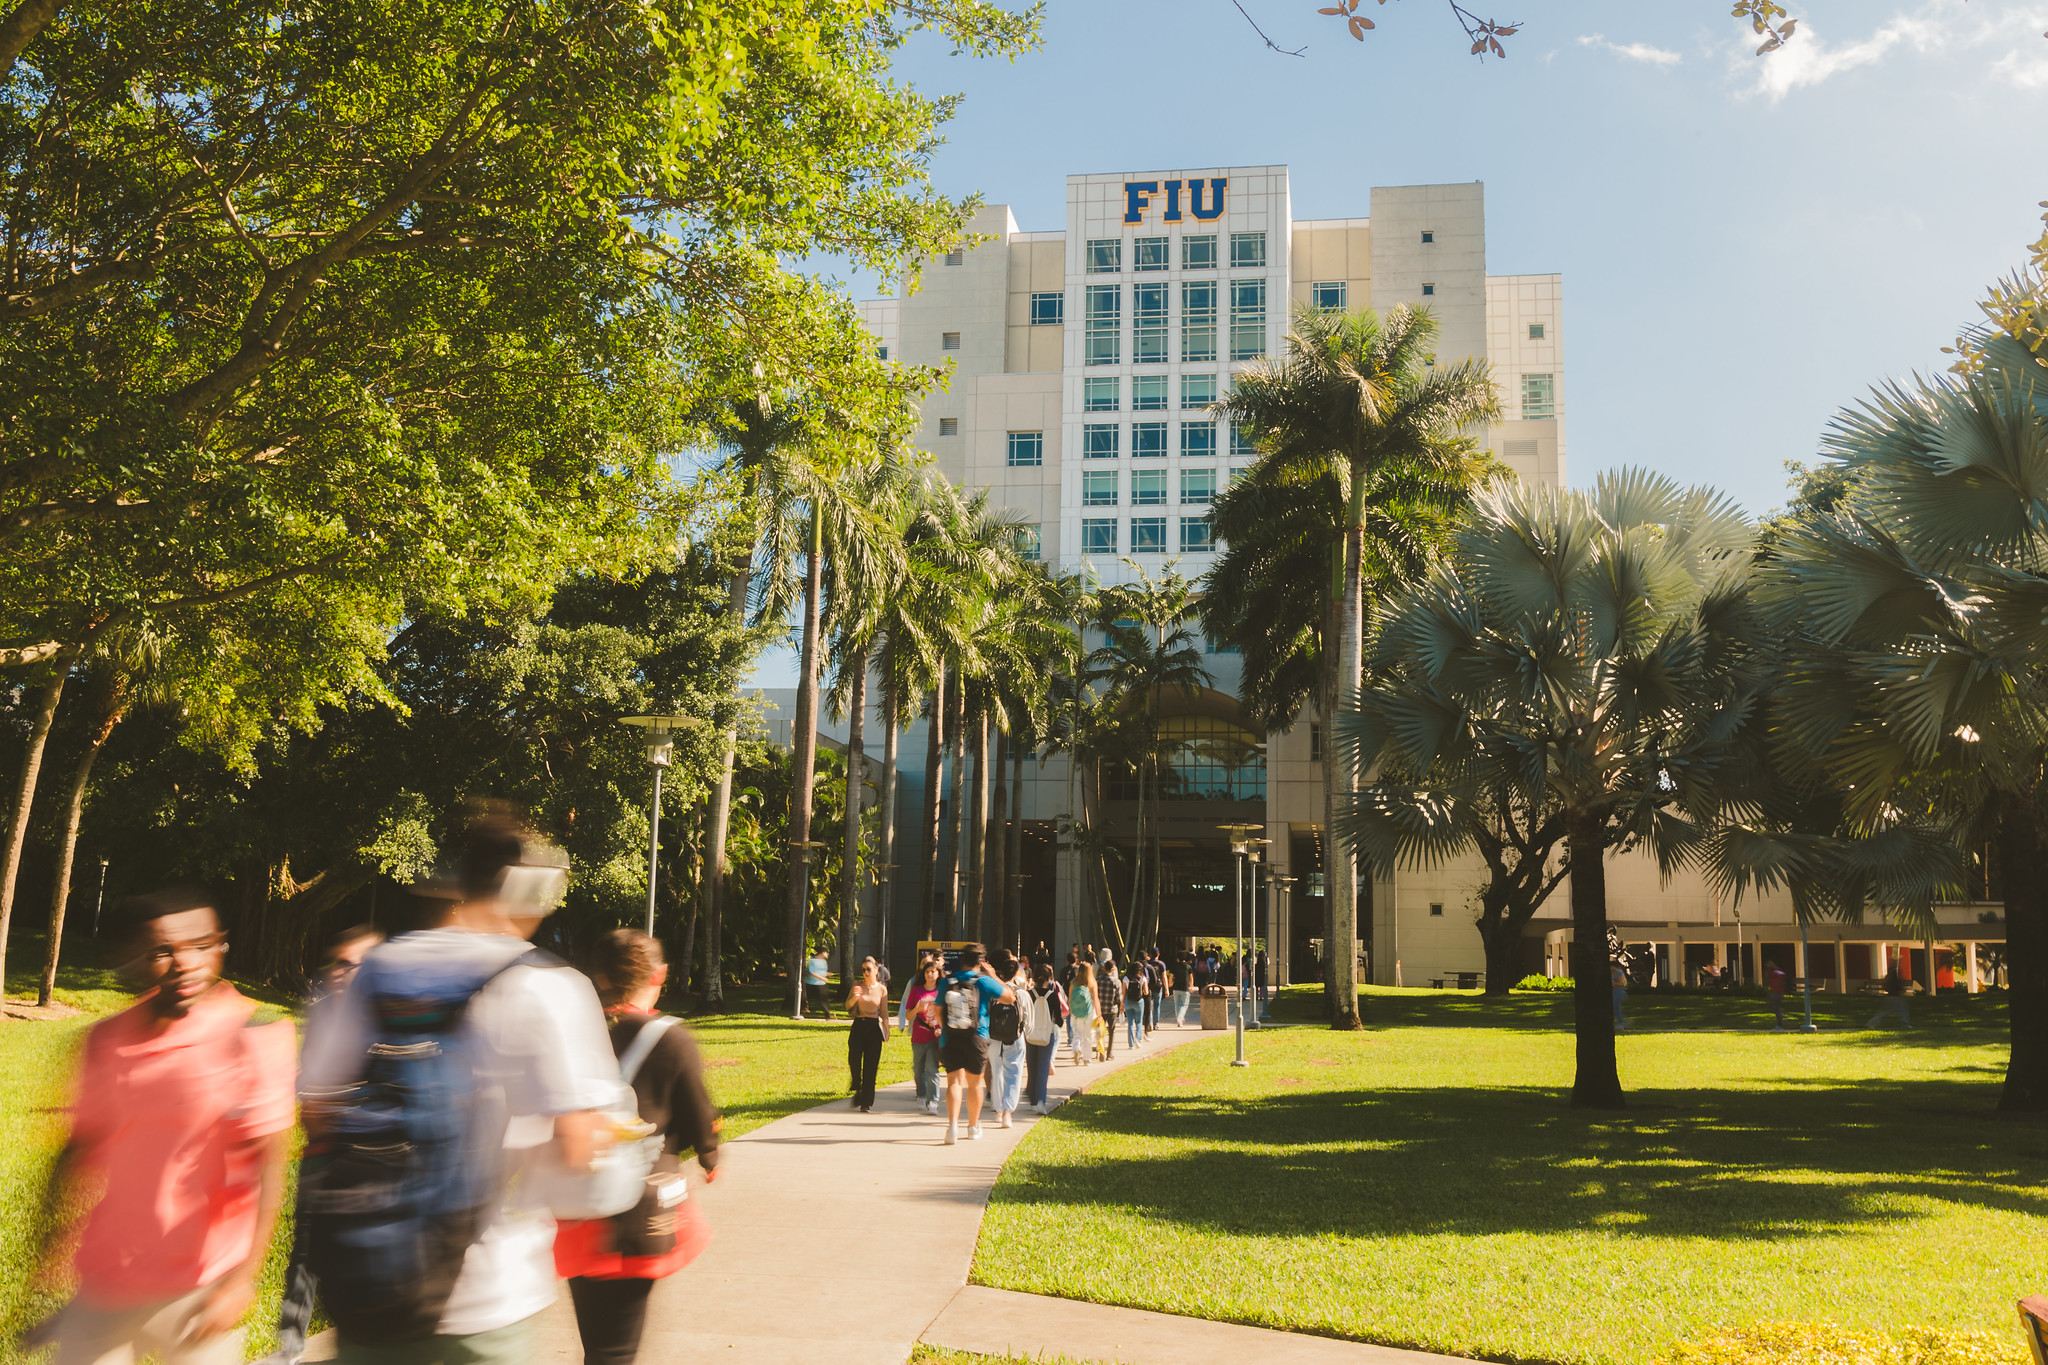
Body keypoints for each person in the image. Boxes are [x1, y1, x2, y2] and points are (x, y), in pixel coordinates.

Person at [299, 809, 619, 1365]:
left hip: (372, 1279)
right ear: (528, 889)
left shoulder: (378, 968)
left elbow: (319, 1110)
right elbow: (579, 1148)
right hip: (487, 1296)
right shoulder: (546, 984)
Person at [30, 887, 296, 1365]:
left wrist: (240, 1282)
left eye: (202, 946)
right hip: (108, 1280)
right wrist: (50, 1249)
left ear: (220, 946)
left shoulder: (252, 1038)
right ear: (135, 959)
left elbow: (268, 1167)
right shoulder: (106, 1042)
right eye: (162, 952)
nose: (186, 963)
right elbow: (76, 1151)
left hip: (201, 1288)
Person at [555, 930, 722, 1365]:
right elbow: (698, 1117)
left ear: (601, 977)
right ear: (659, 974)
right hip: (635, 1213)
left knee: (597, 1341)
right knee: (617, 1351)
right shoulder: (671, 1038)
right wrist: (709, 1155)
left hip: (577, 1207)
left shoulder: (574, 1032)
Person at [264, 925, 385, 1365]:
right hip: (322, 1152)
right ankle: (289, 1346)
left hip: (371, 1160)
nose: (339, 972)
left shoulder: (388, 1019)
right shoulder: (322, 1014)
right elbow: (307, 1077)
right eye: (336, 962)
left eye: (351, 965)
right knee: (306, 1251)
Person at [937, 943, 1017, 1144]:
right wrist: (993, 976)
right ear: (980, 961)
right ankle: (973, 1127)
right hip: (977, 1037)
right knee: (974, 1083)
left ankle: (952, 1128)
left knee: (954, 1082)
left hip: (950, 1037)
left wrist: (947, 1029)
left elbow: (938, 1010)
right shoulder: (983, 981)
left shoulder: (948, 980)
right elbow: (1010, 997)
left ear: (962, 959)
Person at [986, 952, 1030, 1129]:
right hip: (1016, 1037)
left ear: (1001, 973)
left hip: (994, 1037)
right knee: (1014, 1072)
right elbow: (1029, 1019)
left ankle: (997, 1109)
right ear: (1016, 974)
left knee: (996, 1071)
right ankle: (1007, 1112)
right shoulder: (1022, 994)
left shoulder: (993, 993)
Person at [844, 957, 890, 1112]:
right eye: (863, 969)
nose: (865, 972)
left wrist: (887, 1029)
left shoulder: (882, 989)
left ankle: (866, 1102)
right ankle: (856, 1084)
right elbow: (848, 1006)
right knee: (854, 1060)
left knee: (871, 1066)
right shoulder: (857, 985)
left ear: (876, 970)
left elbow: (884, 1012)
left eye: (868, 969)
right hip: (858, 1025)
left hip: (873, 1028)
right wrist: (854, 997)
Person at [1021, 963, 1066, 1113]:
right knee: (1042, 1069)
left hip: (1030, 1035)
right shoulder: (1052, 996)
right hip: (1046, 1036)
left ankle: (1032, 1099)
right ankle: (1040, 1100)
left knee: (1032, 1067)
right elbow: (1059, 1020)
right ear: (1050, 978)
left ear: (1033, 977)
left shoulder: (1028, 994)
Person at [903, 957, 944, 1114]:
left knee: (932, 1069)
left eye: (933, 971)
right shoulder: (916, 990)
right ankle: (921, 1094)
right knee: (918, 1069)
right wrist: (917, 1009)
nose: (929, 974)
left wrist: (942, 1029)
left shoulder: (942, 991)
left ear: (938, 973)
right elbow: (908, 1016)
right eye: (927, 971)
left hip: (935, 1036)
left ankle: (933, 1101)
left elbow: (947, 1014)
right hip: (919, 1035)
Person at [1067, 962, 1098, 1067]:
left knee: (1078, 1032)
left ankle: (1076, 1047)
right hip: (1089, 1012)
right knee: (1088, 1035)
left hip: (1076, 1012)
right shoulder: (1091, 982)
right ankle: (1087, 1059)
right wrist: (1099, 1014)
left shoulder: (1073, 982)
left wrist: (1071, 1009)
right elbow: (1095, 999)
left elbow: (1070, 998)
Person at [1868, 963, 1913, 1029]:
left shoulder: (1889, 976)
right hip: (1896, 997)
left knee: (1884, 1012)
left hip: (1890, 997)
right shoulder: (1894, 976)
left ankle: (1872, 1023)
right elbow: (1897, 985)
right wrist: (1901, 990)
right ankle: (1905, 1024)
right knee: (1903, 1010)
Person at [1123, 962, 1146, 1050]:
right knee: (1139, 1022)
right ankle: (1138, 1039)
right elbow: (1146, 992)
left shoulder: (1126, 978)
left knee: (1130, 1023)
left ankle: (1131, 1045)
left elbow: (1123, 993)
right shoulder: (1142, 978)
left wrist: (1122, 1004)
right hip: (1139, 1002)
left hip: (1128, 1001)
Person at [804, 948, 831, 1017]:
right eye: (826, 953)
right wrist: (822, 978)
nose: (827, 955)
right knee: (810, 998)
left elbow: (823, 971)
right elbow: (812, 972)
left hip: (822, 983)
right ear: (821, 953)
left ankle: (827, 1013)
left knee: (824, 999)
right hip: (812, 983)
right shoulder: (812, 961)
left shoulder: (824, 962)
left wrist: (827, 974)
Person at [1765, 960, 1789, 1030]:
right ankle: (1779, 1024)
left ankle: (1779, 1025)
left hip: (1777, 993)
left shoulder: (1776, 973)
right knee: (1776, 1008)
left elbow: (1781, 982)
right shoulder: (1776, 972)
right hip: (1775, 992)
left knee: (1776, 1009)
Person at [1169, 954, 1190, 1027]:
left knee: (1177, 1005)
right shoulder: (1188, 966)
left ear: (1178, 959)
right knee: (1184, 1005)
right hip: (1185, 988)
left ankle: (1179, 1020)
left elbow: (1171, 976)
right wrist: (1191, 986)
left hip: (1176, 988)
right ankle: (1180, 1018)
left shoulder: (1174, 966)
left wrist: (1170, 983)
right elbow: (1191, 977)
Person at [1610, 958, 1629, 1031]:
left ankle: (1621, 1024)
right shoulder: (1612, 973)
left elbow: (1621, 984)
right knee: (1614, 1008)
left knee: (1616, 1008)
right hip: (1614, 991)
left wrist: (1613, 983)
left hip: (1618, 992)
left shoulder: (1619, 972)